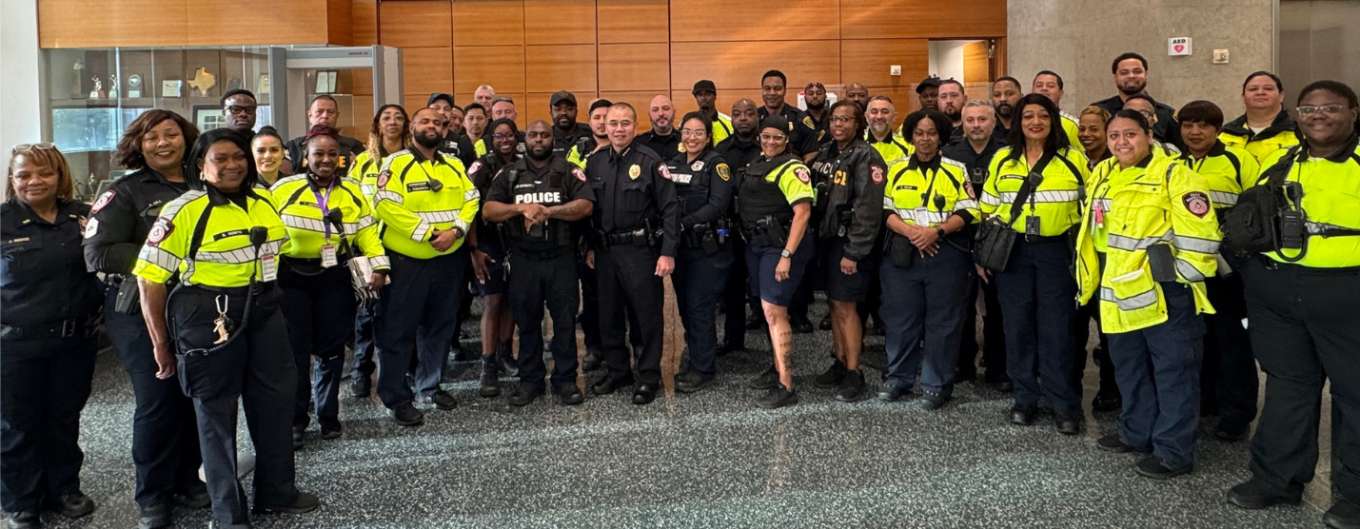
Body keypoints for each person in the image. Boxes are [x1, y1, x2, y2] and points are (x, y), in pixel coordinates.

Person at [133, 128, 320, 527]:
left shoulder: (263, 202)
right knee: (216, 417)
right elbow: (149, 279)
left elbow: (278, 254)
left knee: (274, 405)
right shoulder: (183, 210)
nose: (233, 165)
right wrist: (160, 344)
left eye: (239, 157)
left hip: (264, 310)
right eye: (221, 159)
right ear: (201, 166)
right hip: (208, 315)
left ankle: (276, 492)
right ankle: (228, 513)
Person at [1227, 81, 1360, 529]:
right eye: (1310, 108)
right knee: (1287, 387)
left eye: (1330, 108)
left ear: (1353, 112)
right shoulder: (1284, 163)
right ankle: (1276, 479)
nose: (1318, 115)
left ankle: (1355, 496)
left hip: (1347, 295)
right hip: (1280, 295)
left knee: (1356, 395)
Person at [1075, 108, 1220, 479]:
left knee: (1174, 373)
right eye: (1114, 136)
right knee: (1129, 367)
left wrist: (1177, 282)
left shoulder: (1176, 176)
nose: (1122, 142)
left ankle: (1173, 451)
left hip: (1164, 295)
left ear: (1149, 135)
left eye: (1130, 135)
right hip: (1116, 289)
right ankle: (1136, 432)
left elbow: (1201, 240)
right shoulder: (1103, 174)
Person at [82, 110, 209, 529]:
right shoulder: (124, 193)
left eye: (171, 134)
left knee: (192, 395)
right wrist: (165, 259)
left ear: (187, 139)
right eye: (152, 137)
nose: (163, 143)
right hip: (137, 311)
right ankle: (152, 495)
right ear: (139, 144)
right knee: (157, 401)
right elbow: (98, 253)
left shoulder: (202, 185)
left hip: (195, 308)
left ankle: (189, 480)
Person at [3, 144, 103, 529]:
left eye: (44, 173)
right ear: (12, 181)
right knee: (17, 424)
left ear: (60, 175)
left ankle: (63, 488)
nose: (34, 181)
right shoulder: (2, 221)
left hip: (74, 341)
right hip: (14, 344)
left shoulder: (83, 216)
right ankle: (21, 501)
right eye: (23, 174)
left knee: (64, 418)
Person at [979, 93, 1090, 435]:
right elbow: (988, 208)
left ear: (1053, 120)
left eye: (1043, 115)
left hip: (1057, 253)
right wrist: (984, 254)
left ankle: (1064, 404)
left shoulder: (1074, 160)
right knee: (1018, 327)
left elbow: (1088, 210)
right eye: (1028, 116)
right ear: (1019, 122)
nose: (1035, 122)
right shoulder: (1003, 160)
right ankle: (1025, 398)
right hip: (1013, 254)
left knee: (1058, 330)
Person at [273, 125, 388, 449]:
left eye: (331, 154)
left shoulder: (353, 191)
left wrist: (379, 266)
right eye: (318, 154)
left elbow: (367, 234)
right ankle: (297, 418)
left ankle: (328, 414)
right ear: (305, 157)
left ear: (340, 158)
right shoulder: (283, 189)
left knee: (332, 351)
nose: (325, 160)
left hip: (335, 277)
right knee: (296, 353)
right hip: (292, 278)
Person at [371, 106, 479, 425]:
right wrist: (430, 234)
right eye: (424, 121)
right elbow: (384, 205)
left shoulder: (453, 165)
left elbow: (471, 198)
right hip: (408, 263)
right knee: (397, 331)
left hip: (448, 262)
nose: (431, 126)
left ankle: (429, 386)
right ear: (412, 128)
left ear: (444, 130)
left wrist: (456, 230)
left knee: (440, 327)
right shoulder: (395, 164)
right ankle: (396, 397)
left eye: (437, 122)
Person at [483, 120, 594, 406]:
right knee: (527, 323)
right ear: (525, 140)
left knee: (565, 323)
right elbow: (489, 210)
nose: (539, 139)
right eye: (533, 135)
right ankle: (530, 381)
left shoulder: (568, 171)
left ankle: (566, 379)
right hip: (523, 260)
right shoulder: (509, 173)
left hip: (561, 258)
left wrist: (550, 211)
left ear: (552, 139)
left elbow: (585, 205)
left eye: (545, 135)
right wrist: (521, 208)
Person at [878, 109, 978, 407]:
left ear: (941, 137)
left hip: (944, 253)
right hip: (904, 254)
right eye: (919, 133)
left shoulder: (956, 169)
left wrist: (937, 232)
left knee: (942, 322)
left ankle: (937, 383)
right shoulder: (895, 169)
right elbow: (886, 212)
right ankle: (899, 378)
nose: (925, 139)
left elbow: (970, 210)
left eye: (931, 133)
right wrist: (913, 233)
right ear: (910, 136)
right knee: (901, 319)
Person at [583, 102, 680, 406]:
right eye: (613, 123)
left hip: (641, 251)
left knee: (646, 316)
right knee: (608, 315)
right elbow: (589, 209)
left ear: (635, 126)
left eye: (625, 123)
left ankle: (648, 376)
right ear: (604, 127)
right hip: (605, 250)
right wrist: (587, 246)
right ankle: (618, 371)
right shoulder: (595, 162)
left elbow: (671, 209)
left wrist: (667, 253)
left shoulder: (650, 161)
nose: (618, 129)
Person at [1176, 100, 1261, 442]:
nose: (1195, 132)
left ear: (1217, 129)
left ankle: (1236, 412)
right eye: (1189, 125)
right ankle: (1205, 401)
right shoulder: (1172, 163)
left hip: (1229, 268)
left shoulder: (1240, 161)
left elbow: (1256, 209)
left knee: (1232, 340)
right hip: (1188, 266)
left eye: (1204, 125)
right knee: (1197, 337)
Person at [809, 101, 888, 402]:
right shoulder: (828, 152)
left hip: (849, 243)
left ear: (859, 124)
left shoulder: (868, 156)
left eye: (846, 119)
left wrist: (854, 252)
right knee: (833, 304)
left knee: (847, 307)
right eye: (834, 119)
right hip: (826, 241)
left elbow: (868, 210)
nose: (838, 124)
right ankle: (840, 362)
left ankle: (855, 371)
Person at [741, 114, 816, 408]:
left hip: (781, 247)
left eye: (777, 138)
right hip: (758, 245)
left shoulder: (793, 167)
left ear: (787, 141)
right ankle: (776, 369)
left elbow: (803, 213)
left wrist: (787, 255)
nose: (771, 142)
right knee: (768, 309)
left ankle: (786, 385)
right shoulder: (756, 164)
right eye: (766, 136)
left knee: (774, 311)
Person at [667, 112, 736, 394]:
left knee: (700, 307)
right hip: (681, 248)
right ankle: (695, 353)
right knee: (684, 306)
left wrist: (681, 223)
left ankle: (703, 368)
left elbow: (718, 204)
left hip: (707, 250)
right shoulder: (672, 164)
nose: (692, 137)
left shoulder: (716, 165)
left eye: (698, 132)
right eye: (687, 131)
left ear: (708, 137)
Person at [942, 100, 1007, 390]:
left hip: (999, 240)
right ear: (963, 123)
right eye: (970, 120)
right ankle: (963, 362)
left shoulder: (1007, 154)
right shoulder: (950, 154)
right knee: (961, 305)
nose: (976, 125)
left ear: (993, 122)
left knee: (997, 306)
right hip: (960, 238)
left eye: (982, 119)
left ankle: (997, 366)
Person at [344, 104, 408, 399]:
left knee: (399, 310)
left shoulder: (410, 160)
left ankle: (401, 369)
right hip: (366, 246)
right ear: (377, 126)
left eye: (398, 118)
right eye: (386, 118)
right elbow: (351, 200)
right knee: (367, 310)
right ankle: (360, 368)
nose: (392, 122)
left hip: (402, 245)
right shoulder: (361, 162)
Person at [466, 119, 522, 397]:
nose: (505, 140)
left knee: (510, 297)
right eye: (499, 135)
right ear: (491, 138)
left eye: (510, 135)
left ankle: (505, 353)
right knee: (493, 299)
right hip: (487, 241)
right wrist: (473, 249)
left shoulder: (523, 163)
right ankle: (488, 363)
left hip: (515, 239)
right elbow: (469, 208)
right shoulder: (481, 165)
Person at [1071, 105, 1121, 412]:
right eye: (1083, 129)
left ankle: (1110, 390)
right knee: (1073, 333)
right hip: (1077, 260)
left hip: (1109, 262)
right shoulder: (1076, 162)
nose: (1087, 134)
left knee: (1110, 335)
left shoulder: (1117, 166)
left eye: (1094, 129)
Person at [716, 98, 764, 348]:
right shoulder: (721, 150)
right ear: (731, 119)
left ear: (758, 117)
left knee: (763, 288)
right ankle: (733, 340)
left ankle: (774, 351)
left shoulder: (768, 147)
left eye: (749, 113)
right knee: (732, 285)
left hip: (762, 230)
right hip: (732, 228)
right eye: (737, 114)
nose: (743, 118)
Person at [1092, 52, 1182, 148]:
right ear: (1115, 77)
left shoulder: (1165, 113)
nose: (1131, 76)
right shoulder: (1100, 111)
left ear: (1146, 74)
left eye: (1137, 71)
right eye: (1124, 73)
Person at [1220, 71, 1300, 163]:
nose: (1260, 92)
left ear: (1281, 96)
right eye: (1253, 89)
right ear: (1243, 97)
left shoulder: (1300, 133)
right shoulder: (1225, 134)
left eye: (1268, 89)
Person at [285, 95, 365, 173]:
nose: (325, 116)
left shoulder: (353, 146)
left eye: (330, 112)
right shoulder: (294, 146)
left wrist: (357, 165)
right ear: (310, 115)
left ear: (337, 116)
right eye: (319, 111)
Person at [758, 70, 820, 162]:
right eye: (767, 88)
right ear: (762, 91)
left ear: (785, 90)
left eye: (777, 88)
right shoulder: (754, 118)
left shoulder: (800, 118)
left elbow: (811, 153)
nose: (772, 93)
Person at [1031, 70, 1083, 151]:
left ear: (1061, 93)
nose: (1044, 89)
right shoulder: (1022, 120)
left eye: (1050, 86)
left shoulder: (1074, 124)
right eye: (1039, 85)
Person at [427, 93, 476, 166]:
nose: (442, 112)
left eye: (446, 109)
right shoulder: (420, 139)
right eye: (436, 108)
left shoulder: (462, 141)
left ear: (451, 113)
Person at [864, 96, 914, 166]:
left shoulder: (909, 147)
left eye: (885, 112)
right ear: (866, 116)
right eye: (874, 112)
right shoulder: (854, 146)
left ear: (894, 117)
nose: (879, 117)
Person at [567, 98, 613, 170]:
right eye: (597, 117)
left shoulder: (624, 147)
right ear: (589, 122)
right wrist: (591, 158)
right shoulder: (579, 149)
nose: (602, 122)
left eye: (606, 117)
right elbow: (572, 176)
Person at [549, 90, 592, 156]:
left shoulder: (590, 132)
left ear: (576, 112)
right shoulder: (546, 136)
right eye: (558, 109)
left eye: (569, 109)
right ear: (551, 113)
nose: (564, 113)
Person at [691, 80, 734, 146]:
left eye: (708, 94)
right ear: (696, 98)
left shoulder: (729, 122)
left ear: (715, 96)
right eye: (700, 95)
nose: (703, 98)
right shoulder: (688, 122)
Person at [936, 79, 967, 144]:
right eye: (943, 96)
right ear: (937, 101)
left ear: (965, 99)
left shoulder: (974, 126)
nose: (949, 101)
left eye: (954, 95)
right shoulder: (933, 128)